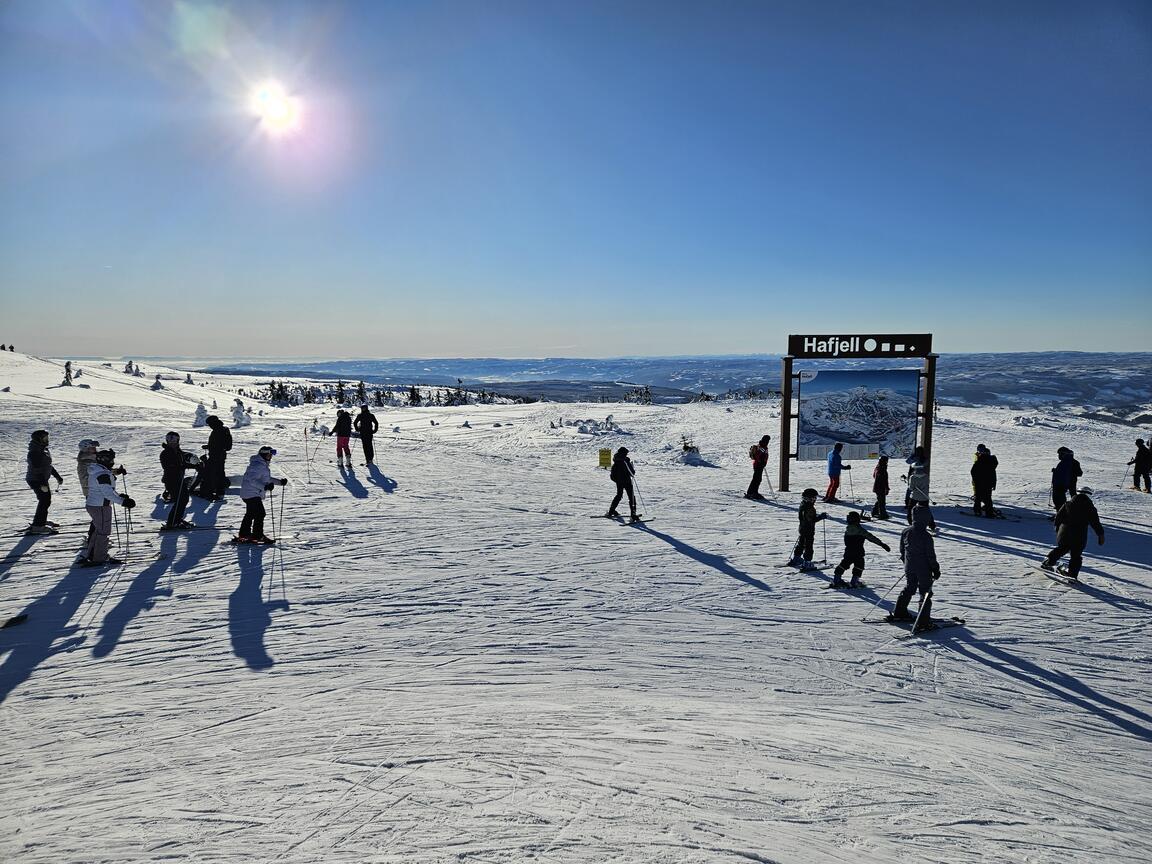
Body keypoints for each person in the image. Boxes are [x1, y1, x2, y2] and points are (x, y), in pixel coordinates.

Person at [80, 449, 133, 567]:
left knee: (98, 531)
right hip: (100, 506)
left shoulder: (99, 470)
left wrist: (120, 496)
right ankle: (99, 558)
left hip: (96, 505)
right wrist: (123, 502)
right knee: (103, 532)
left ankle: (93, 554)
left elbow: (108, 490)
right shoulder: (102, 474)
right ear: (105, 460)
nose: (113, 462)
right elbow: (107, 493)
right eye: (111, 459)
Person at [891, 506, 941, 631]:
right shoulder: (926, 536)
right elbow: (930, 555)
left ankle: (899, 612)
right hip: (923, 568)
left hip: (909, 566)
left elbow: (902, 549)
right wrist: (935, 569)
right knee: (925, 592)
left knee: (910, 587)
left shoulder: (906, 531)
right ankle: (923, 621)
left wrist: (906, 562)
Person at [1040, 488, 1105, 581]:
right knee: (1076, 555)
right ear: (1089, 496)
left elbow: (1058, 517)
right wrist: (1100, 535)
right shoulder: (1089, 507)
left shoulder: (1068, 504)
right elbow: (1095, 523)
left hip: (1064, 532)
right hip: (1079, 534)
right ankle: (1072, 574)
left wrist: (1058, 529)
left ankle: (1048, 562)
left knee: (1062, 549)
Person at [238, 446, 288, 543]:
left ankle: (244, 534)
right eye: (269, 455)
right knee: (260, 513)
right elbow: (252, 480)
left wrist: (280, 482)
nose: (270, 457)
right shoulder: (258, 465)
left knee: (251, 514)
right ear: (263, 455)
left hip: (250, 493)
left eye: (271, 455)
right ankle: (257, 535)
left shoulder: (261, 465)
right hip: (251, 493)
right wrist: (264, 487)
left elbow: (267, 479)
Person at [829, 511, 890, 588]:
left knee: (844, 564)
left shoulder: (848, 530)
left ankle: (836, 579)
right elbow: (871, 538)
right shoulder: (860, 530)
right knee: (859, 565)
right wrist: (882, 544)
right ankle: (854, 581)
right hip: (858, 552)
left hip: (848, 551)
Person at [26, 430, 64, 534]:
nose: (47, 440)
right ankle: (38, 526)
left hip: (41, 479)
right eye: (45, 438)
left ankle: (40, 521)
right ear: (39, 439)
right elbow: (37, 469)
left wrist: (57, 476)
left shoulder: (43, 449)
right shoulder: (35, 452)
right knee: (44, 501)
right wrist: (42, 484)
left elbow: (47, 466)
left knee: (45, 501)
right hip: (36, 480)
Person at [159, 431, 199, 530]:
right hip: (171, 480)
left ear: (178, 441)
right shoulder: (165, 453)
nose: (172, 442)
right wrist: (187, 466)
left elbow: (183, 461)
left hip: (179, 480)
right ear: (167, 441)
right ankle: (172, 522)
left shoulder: (178, 451)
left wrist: (196, 464)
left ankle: (176, 520)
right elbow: (171, 466)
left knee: (183, 499)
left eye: (174, 440)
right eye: (170, 440)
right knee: (181, 500)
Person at [788, 488, 827, 571]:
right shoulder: (809, 508)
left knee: (801, 543)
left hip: (802, 528)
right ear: (809, 498)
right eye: (814, 498)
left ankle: (796, 558)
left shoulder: (803, 505)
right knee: (809, 546)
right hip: (808, 529)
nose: (815, 500)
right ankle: (807, 562)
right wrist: (820, 517)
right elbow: (811, 520)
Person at [198, 415, 232, 500]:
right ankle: (219, 490)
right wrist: (209, 446)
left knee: (211, 473)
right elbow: (219, 445)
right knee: (219, 473)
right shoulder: (221, 430)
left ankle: (209, 491)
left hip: (217, 456)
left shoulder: (219, 430)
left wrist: (211, 447)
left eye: (209, 424)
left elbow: (220, 445)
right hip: (218, 455)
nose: (209, 426)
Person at [607, 447, 639, 522]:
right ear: (623, 453)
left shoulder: (616, 461)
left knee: (619, 495)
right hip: (627, 482)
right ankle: (633, 515)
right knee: (631, 497)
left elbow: (612, 476)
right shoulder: (625, 461)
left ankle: (611, 511)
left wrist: (618, 481)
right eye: (626, 453)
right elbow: (632, 473)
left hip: (619, 483)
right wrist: (632, 468)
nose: (627, 454)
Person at [970, 444, 999, 517]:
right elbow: (993, 475)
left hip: (979, 482)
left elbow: (973, 471)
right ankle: (989, 512)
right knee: (988, 498)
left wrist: (975, 480)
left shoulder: (980, 460)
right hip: (988, 483)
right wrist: (993, 484)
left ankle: (977, 511)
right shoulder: (992, 462)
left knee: (978, 497)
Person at [1051, 447, 1082, 513]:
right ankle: (1067, 511)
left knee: (1062, 497)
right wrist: (1056, 471)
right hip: (1068, 482)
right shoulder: (1066, 462)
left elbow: (1079, 473)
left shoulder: (1070, 462)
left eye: (1060, 454)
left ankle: (1065, 513)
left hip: (1067, 482)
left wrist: (1070, 473)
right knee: (1069, 496)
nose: (1058, 456)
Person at [904, 463, 935, 529]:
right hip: (924, 497)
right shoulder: (926, 476)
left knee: (910, 510)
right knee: (926, 511)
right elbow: (927, 484)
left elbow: (911, 488)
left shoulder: (912, 477)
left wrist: (909, 483)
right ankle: (932, 525)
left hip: (914, 496)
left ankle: (911, 523)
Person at [745, 435, 771, 499]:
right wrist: (761, 461)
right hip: (758, 465)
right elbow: (758, 456)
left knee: (757, 479)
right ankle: (751, 492)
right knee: (756, 479)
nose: (768, 442)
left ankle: (753, 492)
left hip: (759, 465)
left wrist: (763, 462)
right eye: (767, 440)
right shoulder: (762, 447)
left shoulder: (762, 446)